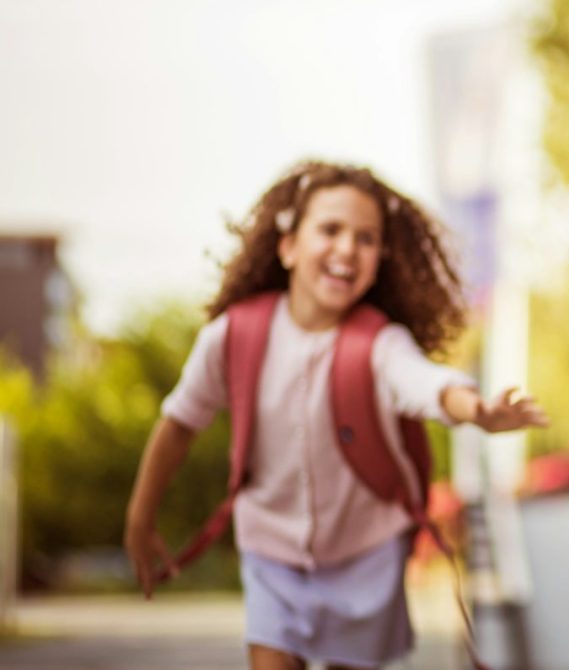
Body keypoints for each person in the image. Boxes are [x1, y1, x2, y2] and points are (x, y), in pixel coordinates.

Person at [124, 160, 546, 670]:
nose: (347, 247)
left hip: (365, 556)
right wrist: (140, 516)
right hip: (272, 552)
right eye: (330, 230)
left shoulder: (380, 344)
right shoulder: (234, 336)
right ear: (288, 246)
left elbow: (426, 385)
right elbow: (178, 425)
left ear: (380, 260)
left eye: (366, 238)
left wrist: (477, 409)